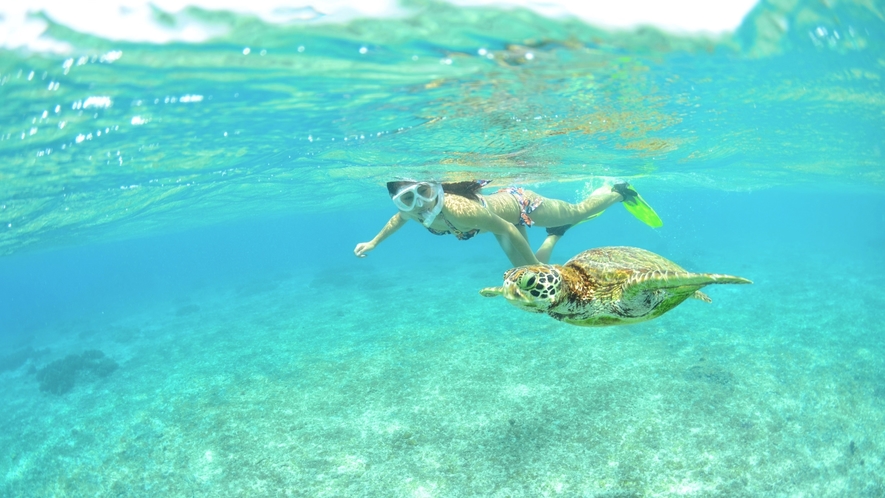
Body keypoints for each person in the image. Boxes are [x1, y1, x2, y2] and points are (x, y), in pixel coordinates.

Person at [354, 179, 661, 267]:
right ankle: (555, 235)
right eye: (409, 200)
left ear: (434, 187)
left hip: (521, 206)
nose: (421, 204)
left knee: (577, 211)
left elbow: (509, 228)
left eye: (424, 192)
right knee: (525, 272)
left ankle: (617, 191)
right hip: (500, 221)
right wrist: (373, 242)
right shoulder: (411, 212)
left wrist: (540, 272)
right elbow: (398, 219)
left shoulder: (459, 211)